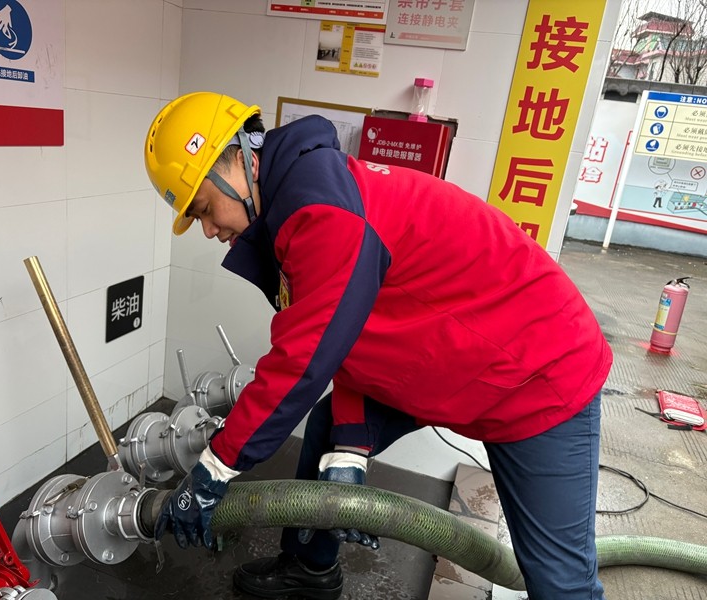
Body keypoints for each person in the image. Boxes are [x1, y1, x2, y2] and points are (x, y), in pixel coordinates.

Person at [144, 91, 613, 600]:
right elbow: (345, 338)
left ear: (241, 160)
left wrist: (215, 467)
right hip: (463, 359)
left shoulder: (320, 213)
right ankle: (310, 567)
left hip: (541, 372)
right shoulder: (299, 201)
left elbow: (302, 362)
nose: (209, 229)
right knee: (329, 428)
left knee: (557, 579)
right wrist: (350, 445)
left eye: (204, 208)